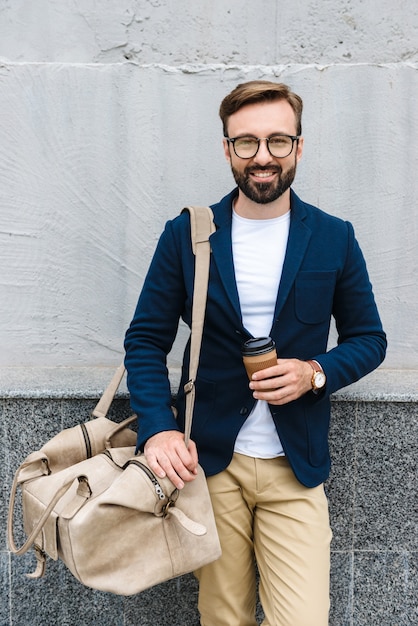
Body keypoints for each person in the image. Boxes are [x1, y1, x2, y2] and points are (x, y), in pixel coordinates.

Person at [124, 80, 387, 626]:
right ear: (226, 149)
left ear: (298, 146)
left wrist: (316, 372)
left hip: (295, 468)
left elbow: (370, 339)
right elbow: (146, 341)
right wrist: (158, 428)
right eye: (246, 143)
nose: (262, 156)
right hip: (209, 466)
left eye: (277, 141)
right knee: (225, 618)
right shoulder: (188, 235)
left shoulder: (335, 237)